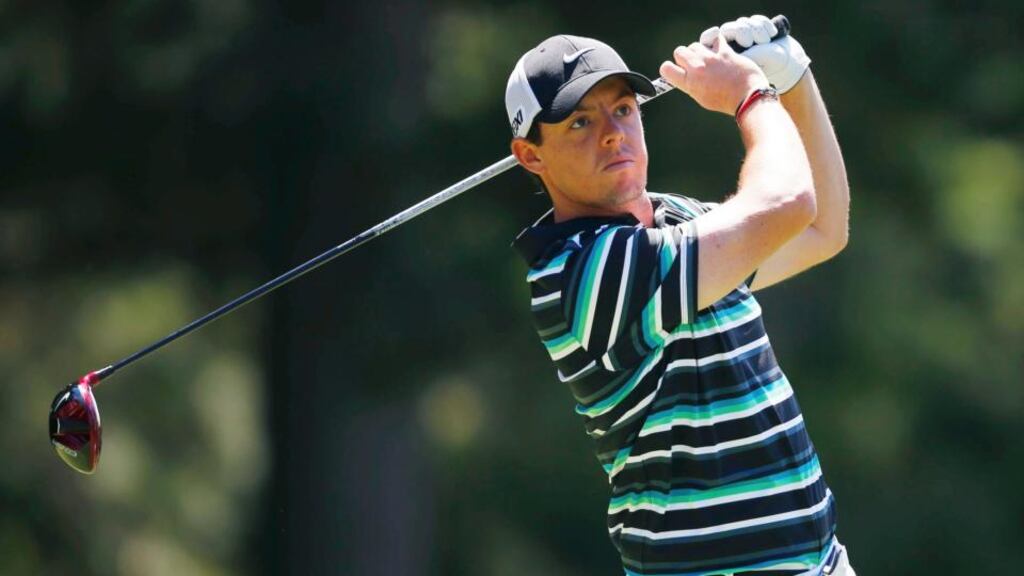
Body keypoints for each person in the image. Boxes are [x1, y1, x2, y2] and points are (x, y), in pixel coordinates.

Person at [507, 15, 853, 576]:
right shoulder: (580, 273)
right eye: (579, 122)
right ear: (530, 155)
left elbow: (822, 230)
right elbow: (789, 201)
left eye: (622, 109)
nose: (613, 133)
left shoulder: (677, 221)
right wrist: (750, 95)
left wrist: (794, 78)